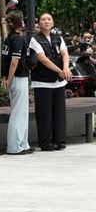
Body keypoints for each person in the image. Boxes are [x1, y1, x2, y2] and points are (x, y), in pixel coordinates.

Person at [29, 12, 72, 151]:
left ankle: (59, 140)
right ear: (39, 23)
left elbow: (65, 53)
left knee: (59, 112)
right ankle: (45, 142)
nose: (46, 21)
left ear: (53, 23)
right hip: (42, 81)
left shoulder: (58, 38)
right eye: (43, 19)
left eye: (49, 19)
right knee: (44, 113)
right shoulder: (34, 39)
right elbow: (42, 58)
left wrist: (65, 68)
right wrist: (59, 70)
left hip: (59, 81)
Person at [2, 11, 33, 155]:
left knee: (20, 111)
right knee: (19, 112)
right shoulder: (18, 39)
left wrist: (6, 78)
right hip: (18, 77)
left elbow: (6, 60)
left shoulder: (8, 39)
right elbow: (14, 61)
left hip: (14, 77)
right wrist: (9, 78)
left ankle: (22, 143)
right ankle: (15, 145)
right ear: (18, 23)